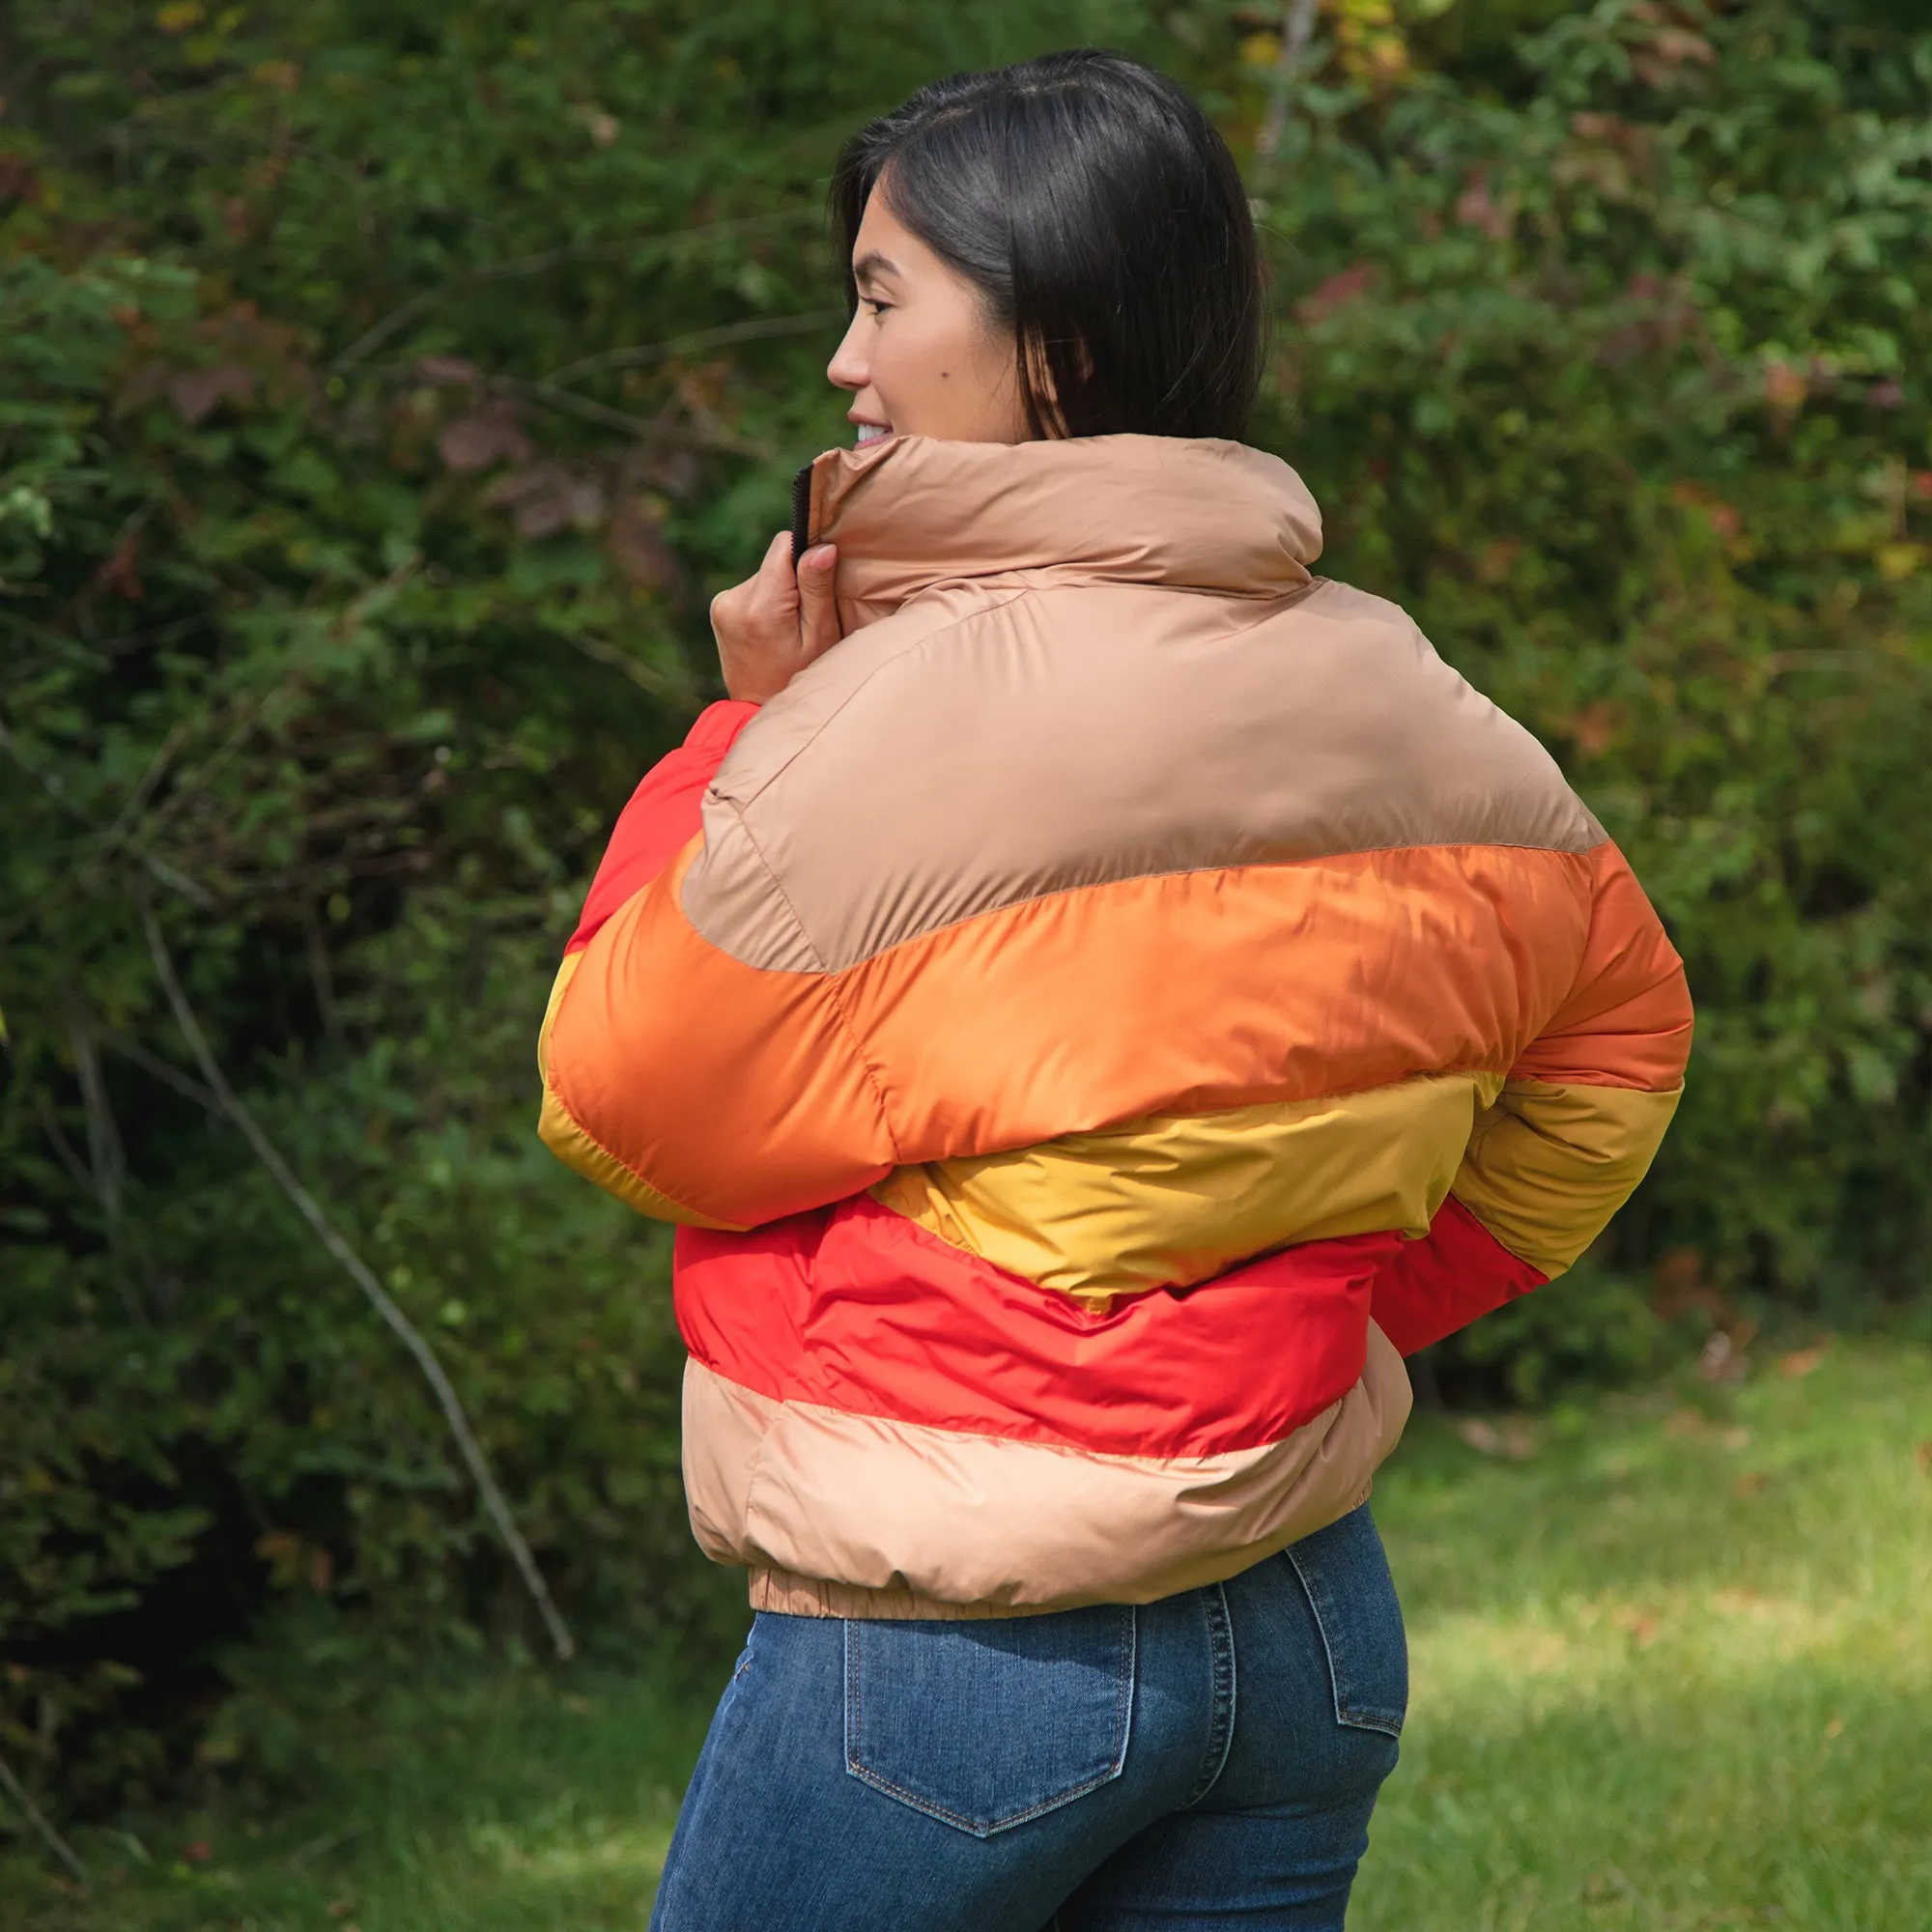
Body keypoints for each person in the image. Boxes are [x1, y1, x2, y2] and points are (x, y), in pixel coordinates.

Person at [537, 49, 1692, 1932]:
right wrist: (1340, 1313)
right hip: (1305, 1617)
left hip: (958, 1649)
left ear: (1052, 346)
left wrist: (741, 727)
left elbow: (617, 1090)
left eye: (884, 296)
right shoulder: (1406, 685)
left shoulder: (884, 725)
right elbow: (1624, 1047)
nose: (845, 358)